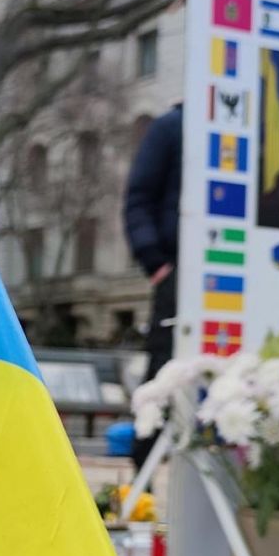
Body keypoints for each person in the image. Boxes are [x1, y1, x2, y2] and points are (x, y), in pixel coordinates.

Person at [122, 102, 182, 471]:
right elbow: (139, 197)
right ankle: (142, 473)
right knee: (162, 375)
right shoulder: (171, 128)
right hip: (177, 273)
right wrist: (156, 263)